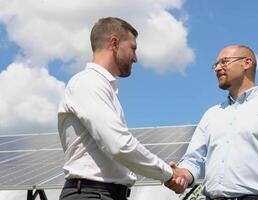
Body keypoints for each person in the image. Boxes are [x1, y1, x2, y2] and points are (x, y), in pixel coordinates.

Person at [57, 17, 187, 200]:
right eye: (133, 48)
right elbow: (119, 145)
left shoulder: (101, 87)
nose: (135, 58)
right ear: (114, 43)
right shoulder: (88, 82)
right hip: (91, 194)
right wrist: (169, 173)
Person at [165, 45, 258, 200]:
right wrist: (183, 175)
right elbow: (193, 159)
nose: (217, 68)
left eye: (224, 62)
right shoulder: (211, 114)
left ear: (247, 63)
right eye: (215, 65)